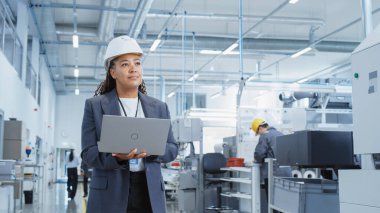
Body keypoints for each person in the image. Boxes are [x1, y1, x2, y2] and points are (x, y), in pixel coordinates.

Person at [81, 35, 178, 213]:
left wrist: (152, 150)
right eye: (125, 64)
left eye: (137, 63)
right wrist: (117, 157)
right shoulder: (94, 106)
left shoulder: (159, 107)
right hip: (110, 192)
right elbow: (88, 153)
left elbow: (172, 148)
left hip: (149, 190)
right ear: (113, 72)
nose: (133, 68)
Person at [251, 118, 291, 199]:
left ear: (260, 128)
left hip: (273, 174)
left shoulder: (265, 135)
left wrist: (257, 160)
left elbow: (259, 154)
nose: (259, 135)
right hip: (287, 173)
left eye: (258, 133)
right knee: (285, 202)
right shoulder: (281, 134)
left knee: (272, 201)